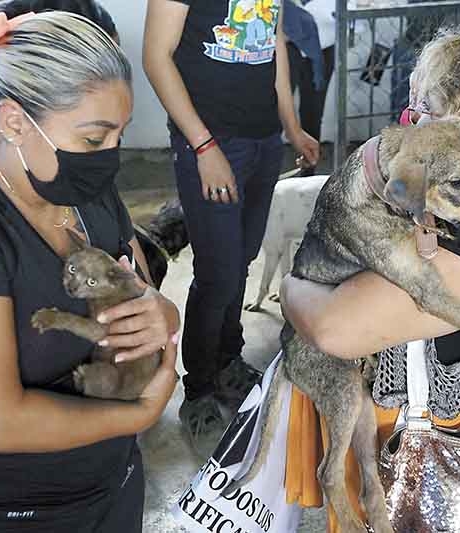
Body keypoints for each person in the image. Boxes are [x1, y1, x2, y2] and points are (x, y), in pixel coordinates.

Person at [0, 8, 180, 532]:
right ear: (14, 121)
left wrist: (164, 315)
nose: (110, 157)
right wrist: (137, 417)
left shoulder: (88, 195)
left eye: (119, 135)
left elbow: (141, 295)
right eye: (94, 140)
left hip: (113, 486)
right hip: (15, 514)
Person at [279, 26, 460, 531]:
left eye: (426, 107)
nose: (411, 119)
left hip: (424, 451)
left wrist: (291, 287)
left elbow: (330, 329)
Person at [143, 0, 320, 452]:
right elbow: (156, 57)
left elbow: (273, 43)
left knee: (239, 259)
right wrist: (203, 147)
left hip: (263, 141)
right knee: (217, 271)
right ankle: (199, 387)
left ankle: (227, 360)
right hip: (211, 141)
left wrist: (291, 127)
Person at [285, 0, 335, 175]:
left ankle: (307, 172)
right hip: (285, 44)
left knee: (313, 113)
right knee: (272, 110)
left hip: (322, 47)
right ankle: (265, 173)